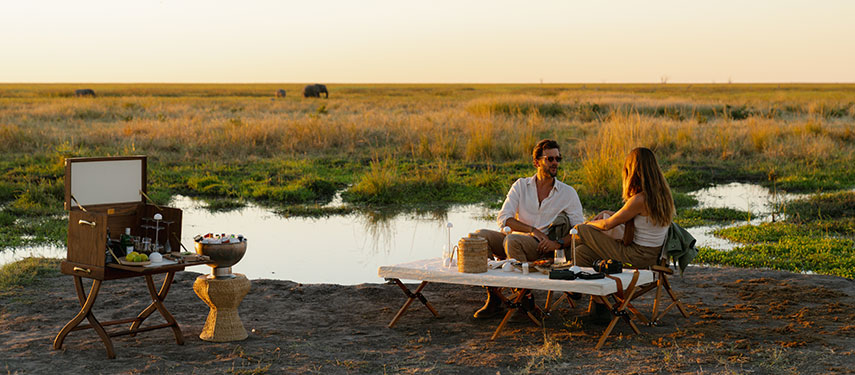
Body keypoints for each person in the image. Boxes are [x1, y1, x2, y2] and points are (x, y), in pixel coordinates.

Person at [472, 139, 585, 318]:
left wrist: (557, 244)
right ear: (536, 162)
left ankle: (527, 299)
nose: (555, 163)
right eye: (550, 159)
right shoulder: (521, 185)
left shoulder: (568, 193)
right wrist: (532, 229)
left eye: (558, 159)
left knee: (512, 240)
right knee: (478, 237)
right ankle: (494, 296)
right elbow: (504, 219)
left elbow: (579, 229)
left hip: (540, 247)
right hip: (518, 239)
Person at [573, 147, 675, 269]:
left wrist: (588, 223)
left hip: (637, 256)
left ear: (633, 170)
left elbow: (607, 225)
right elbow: (637, 216)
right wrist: (607, 212)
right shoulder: (662, 195)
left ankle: (560, 261)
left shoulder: (640, 199)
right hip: (652, 256)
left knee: (580, 229)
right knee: (581, 252)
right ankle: (586, 285)